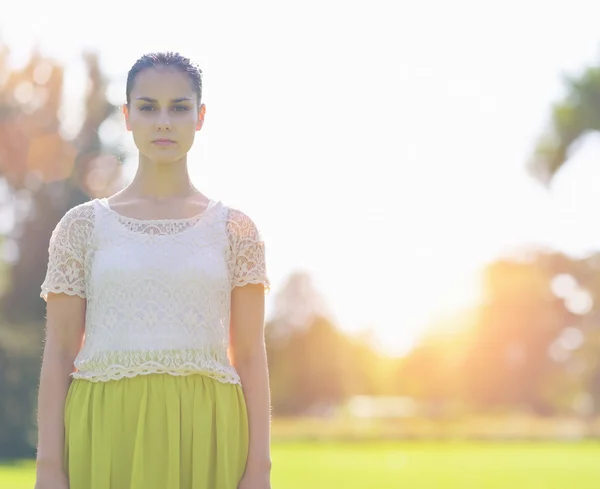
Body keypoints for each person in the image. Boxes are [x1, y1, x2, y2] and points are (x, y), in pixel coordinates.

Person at [34, 52, 272, 489]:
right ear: (127, 116)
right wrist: (49, 470)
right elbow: (59, 353)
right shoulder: (82, 227)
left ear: (200, 117)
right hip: (106, 427)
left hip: (209, 429)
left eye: (179, 107)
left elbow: (252, 357)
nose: (164, 121)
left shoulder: (236, 230)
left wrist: (259, 470)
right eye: (148, 107)